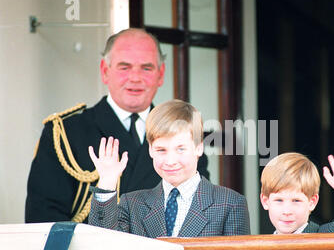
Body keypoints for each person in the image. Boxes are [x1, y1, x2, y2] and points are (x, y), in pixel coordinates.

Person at [25, 28, 209, 223]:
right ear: (105, 71)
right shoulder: (66, 133)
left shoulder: (184, 132)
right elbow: (44, 221)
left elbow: (200, 213)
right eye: (124, 67)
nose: (135, 78)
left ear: (160, 74)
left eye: (146, 68)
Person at [88, 99, 250, 237]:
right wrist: (108, 182)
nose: (170, 161)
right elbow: (103, 245)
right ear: (151, 150)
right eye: (161, 150)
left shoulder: (230, 203)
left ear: (199, 148)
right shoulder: (132, 204)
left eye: (181, 149)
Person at [260, 149, 334, 234]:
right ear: (265, 201)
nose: (287, 211)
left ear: (312, 202)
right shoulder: (258, 248)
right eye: (279, 200)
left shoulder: (328, 234)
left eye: (296, 200)